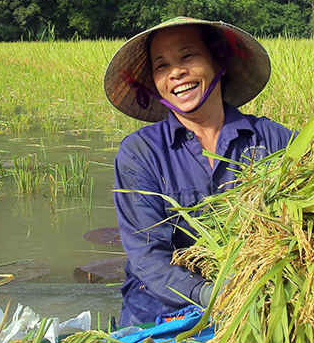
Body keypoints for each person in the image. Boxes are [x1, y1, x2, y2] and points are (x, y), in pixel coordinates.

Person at [103, 17, 293, 326]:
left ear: (218, 61)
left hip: (257, 302)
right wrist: (213, 295)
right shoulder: (141, 154)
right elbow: (148, 259)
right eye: (161, 65)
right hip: (161, 313)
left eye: (188, 56)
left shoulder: (272, 140)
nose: (176, 72)